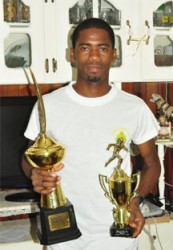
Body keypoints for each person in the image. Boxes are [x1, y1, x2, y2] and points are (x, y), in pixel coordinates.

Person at [22, 18, 161, 250]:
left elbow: (152, 163)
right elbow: (28, 157)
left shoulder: (134, 107)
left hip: (118, 236)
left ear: (114, 55)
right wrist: (35, 173)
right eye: (85, 47)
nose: (94, 56)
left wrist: (134, 202)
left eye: (103, 48)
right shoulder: (47, 105)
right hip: (64, 236)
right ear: (73, 54)